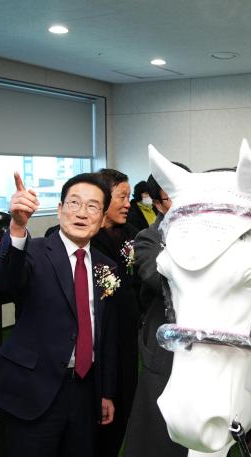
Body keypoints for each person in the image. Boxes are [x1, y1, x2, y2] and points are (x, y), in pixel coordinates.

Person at [0, 172, 118, 457]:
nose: (81, 212)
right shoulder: (34, 252)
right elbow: (3, 283)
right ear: (61, 208)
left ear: (102, 218)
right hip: (35, 389)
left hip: (85, 391)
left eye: (92, 206)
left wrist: (106, 391)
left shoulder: (107, 267)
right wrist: (17, 226)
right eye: (74, 203)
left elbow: (106, 333)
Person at [123, 165, 191, 457]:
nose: (177, 204)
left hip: (203, 341)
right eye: (168, 198)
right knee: (156, 427)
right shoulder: (148, 238)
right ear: (156, 201)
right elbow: (155, 277)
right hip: (165, 342)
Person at [93, 168, 141, 457]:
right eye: (122, 197)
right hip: (100, 342)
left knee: (123, 409)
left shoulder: (131, 236)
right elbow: (112, 291)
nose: (128, 204)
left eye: (129, 197)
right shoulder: (88, 241)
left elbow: (133, 281)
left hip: (127, 340)